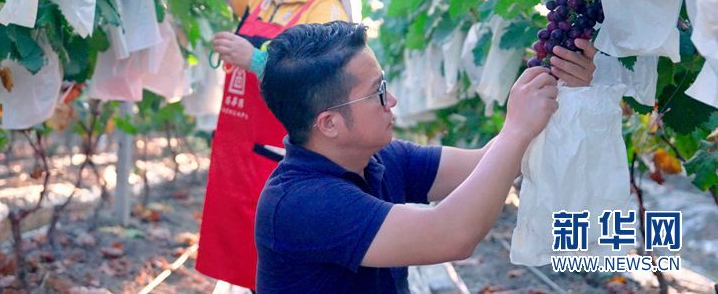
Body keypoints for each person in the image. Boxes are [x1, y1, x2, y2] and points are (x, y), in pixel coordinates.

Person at [255, 21, 598, 293]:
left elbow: (487, 164)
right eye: (378, 92)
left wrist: (559, 90)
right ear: (329, 123)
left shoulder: (379, 157)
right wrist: (516, 129)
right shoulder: (301, 203)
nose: (392, 101)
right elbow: (451, 234)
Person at [175, 0, 365, 290]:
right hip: (239, 150)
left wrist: (255, 59)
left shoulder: (326, 10)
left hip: (283, 160)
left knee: (277, 265)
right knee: (246, 263)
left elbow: (318, 83)